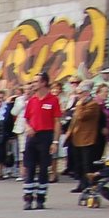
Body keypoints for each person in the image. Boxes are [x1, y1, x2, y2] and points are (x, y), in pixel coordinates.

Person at [22, 72, 62, 210]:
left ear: (43, 83)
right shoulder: (32, 100)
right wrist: (28, 128)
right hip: (32, 136)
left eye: (35, 82)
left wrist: (55, 142)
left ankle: (40, 199)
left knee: (44, 168)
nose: (33, 84)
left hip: (46, 136)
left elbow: (57, 121)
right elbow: (26, 118)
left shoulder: (53, 100)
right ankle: (28, 198)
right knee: (30, 168)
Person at [66, 89, 104, 191]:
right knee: (79, 163)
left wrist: (79, 105)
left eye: (80, 93)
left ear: (87, 93)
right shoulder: (80, 105)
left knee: (87, 164)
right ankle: (81, 184)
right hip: (76, 137)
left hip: (87, 138)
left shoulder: (93, 104)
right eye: (77, 93)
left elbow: (81, 116)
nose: (78, 96)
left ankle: (89, 184)